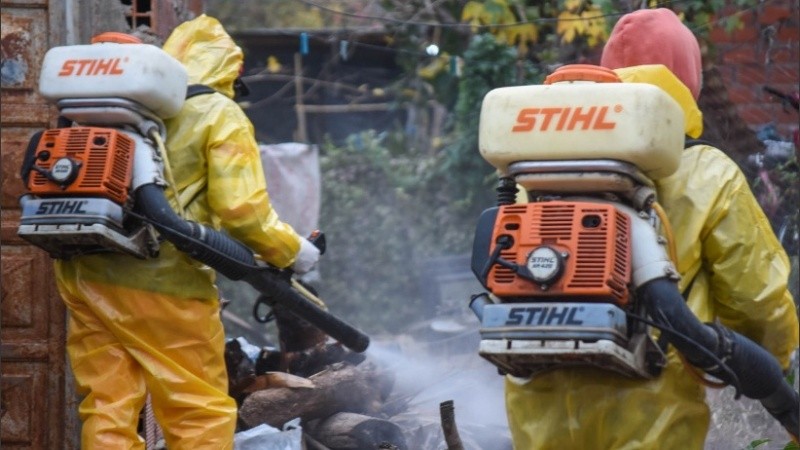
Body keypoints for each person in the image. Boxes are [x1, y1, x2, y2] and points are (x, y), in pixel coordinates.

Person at [503, 8, 799, 449]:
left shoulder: (540, 172)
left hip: (536, 409)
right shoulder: (706, 173)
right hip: (651, 410)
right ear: (687, 83)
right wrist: (771, 365)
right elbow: (756, 301)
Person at [53, 15, 320, 449]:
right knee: (198, 409)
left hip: (85, 273)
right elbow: (242, 212)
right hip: (164, 283)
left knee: (107, 404)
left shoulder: (109, 102)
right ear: (231, 70)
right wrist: (295, 252)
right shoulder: (217, 111)